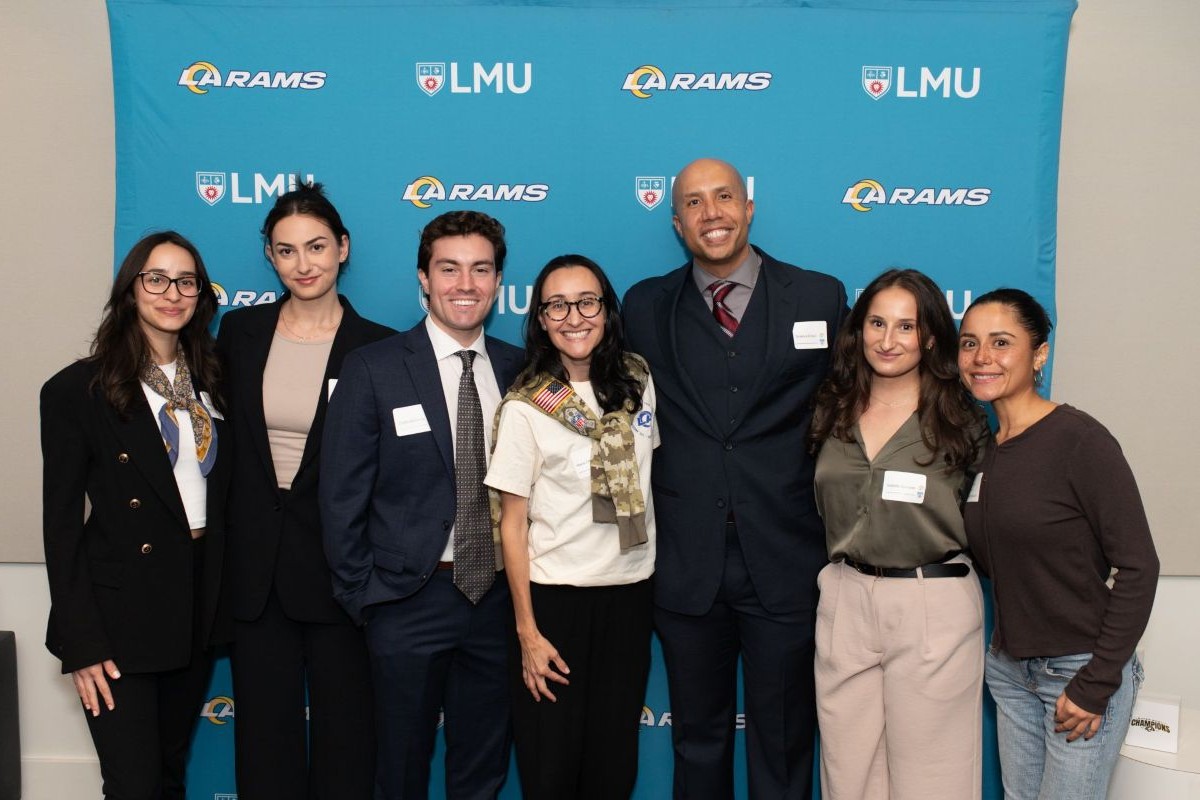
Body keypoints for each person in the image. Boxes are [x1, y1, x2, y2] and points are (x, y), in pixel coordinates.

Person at [622, 157, 847, 799]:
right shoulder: (644, 305)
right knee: (698, 741)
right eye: (693, 203)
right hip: (685, 566)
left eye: (724, 197)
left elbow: (858, 403)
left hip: (785, 556)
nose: (711, 212)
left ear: (750, 207)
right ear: (676, 221)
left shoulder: (820, 297)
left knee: (783, 742)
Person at [320, 210, 523, 800]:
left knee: (482, 768)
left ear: (498, 281)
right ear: (424, 279)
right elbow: (340, 496)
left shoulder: (522, 370)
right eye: (450, 268)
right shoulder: (373, 368)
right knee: (400, 768)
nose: (466, 284)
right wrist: (368, 598)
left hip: (497, 599)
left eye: (481, 269)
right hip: (406, 598)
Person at [216, 182, 395, 799]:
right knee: (264, 747)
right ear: (269, 256)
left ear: (343, 248)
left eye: (316, 246)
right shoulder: (237, 334)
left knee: (349, 743)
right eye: (286, 250)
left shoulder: (380, 348)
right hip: (256, 575)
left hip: (343, 574)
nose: (303, 264)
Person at [40, 231, 229, 799]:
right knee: (133, 783)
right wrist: (82, 641)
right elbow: (60, 524)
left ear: (200, 294)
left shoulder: (216, 381)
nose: (172, 293)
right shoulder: (79, 390)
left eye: (186, 281)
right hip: (119, 616)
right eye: (156, 279)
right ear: (130, 290)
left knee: (170, 773)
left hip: (195, 602)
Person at [957, 289, 1159, 800]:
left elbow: (1139, 566)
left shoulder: (1079, 441)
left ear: (1039, 353)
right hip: (1009, 671)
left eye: (1001, 342)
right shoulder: (985, 450)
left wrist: (1096, 681)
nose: (982, 358)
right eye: (970, 343)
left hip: (1078, 673)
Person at [809, 268, 987, 799]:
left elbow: (993, 516)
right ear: (857, 330)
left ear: (930, 336)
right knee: (849, 773)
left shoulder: (963, 418)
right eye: (877, 323)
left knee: (934, 776)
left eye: (905, 328)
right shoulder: (832, 408)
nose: (888, 341)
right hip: (845, 596)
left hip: (931, 597)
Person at [485, 255, 657, 799]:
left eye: (587, 302)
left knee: (613, 769)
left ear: (606, 310)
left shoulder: (638, 381)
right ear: (539, 318)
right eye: (556, 305)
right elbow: (512, 526)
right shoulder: (525, 406)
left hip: (630, 596)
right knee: (552, 767)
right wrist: (527, 633)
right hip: (555, 603)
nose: (574, 317)